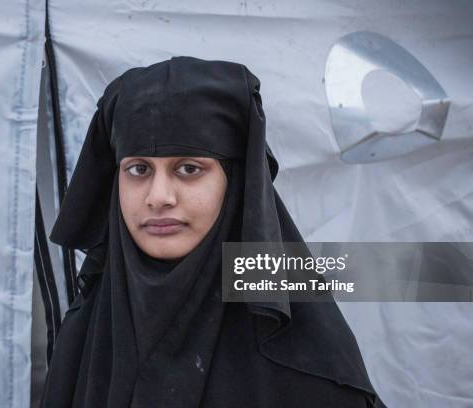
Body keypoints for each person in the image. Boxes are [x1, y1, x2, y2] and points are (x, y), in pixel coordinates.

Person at [40, 56, 385, 407]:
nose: (159, 197)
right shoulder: (85, 332)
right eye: (139, 169)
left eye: (189, 168)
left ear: (235, 182)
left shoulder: (309, 368)